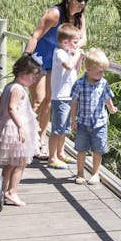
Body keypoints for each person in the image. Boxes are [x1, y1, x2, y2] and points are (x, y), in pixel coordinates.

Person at [23, 0, 88, 159]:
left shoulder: (79, 17)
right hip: (40, 60)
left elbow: (83, 39)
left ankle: (40, 140)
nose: (83, 3)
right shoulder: (54, 14)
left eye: (85, 0)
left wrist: (73, 49)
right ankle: (25, 138)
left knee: (50, 102)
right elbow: (36, 35)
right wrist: (25, 59)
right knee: (39, 100)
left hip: (58, 63)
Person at [0, 54, 42, 206]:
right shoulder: (19, 89)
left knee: (10, 163)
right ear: (22, 73)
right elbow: (11, 108)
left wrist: (2, 119)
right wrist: (20, 125)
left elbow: (0, 104)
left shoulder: (9, 86)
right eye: (33, 77)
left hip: (8, 128)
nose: (34, 80)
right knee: (20, 162)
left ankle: (2, 190)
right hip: (16, 130)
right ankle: (11, 191)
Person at [70, 48, 117, 186]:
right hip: (83, 123)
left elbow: (107, 98)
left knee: (98, 150)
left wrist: (111, 108)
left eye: (103, 71)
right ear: (88, 69)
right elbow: (74, 102)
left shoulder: (103, 83)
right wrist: (73, 120)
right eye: (99, 72)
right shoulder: (79, 84)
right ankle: (80, 172)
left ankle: (96, 173)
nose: (101, 74)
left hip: (99, 123)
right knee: (81, 149)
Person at [48, 24, 85, 169]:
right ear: (65, 42)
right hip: (60, 97)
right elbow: (68, 66)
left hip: (70, 96)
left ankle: (61, 153)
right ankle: (52, 158)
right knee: (57, 129)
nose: (77, 45)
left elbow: (76, 69)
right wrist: (76, 55)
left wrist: (79, 58)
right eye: (75, 42)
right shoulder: (60, 53)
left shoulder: (69, 53)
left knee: (65, 129)